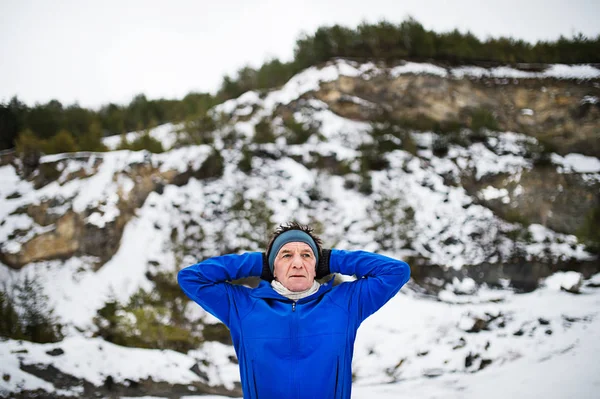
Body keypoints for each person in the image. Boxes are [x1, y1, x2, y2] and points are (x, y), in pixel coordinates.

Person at [178, 221, 410, 399]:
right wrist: (259, 262)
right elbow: (191, 278)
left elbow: (396, 271)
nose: (297, 263)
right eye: (286, 255)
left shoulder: (346, 303)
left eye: (307, 255)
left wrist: (331, 259)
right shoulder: (242, 306)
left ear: (317, 266)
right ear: (273, 268)